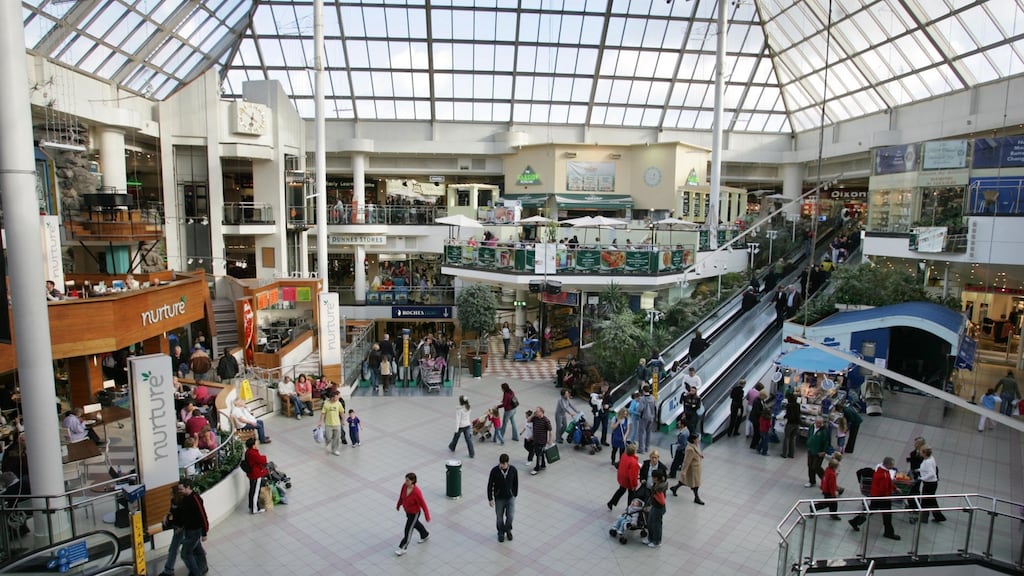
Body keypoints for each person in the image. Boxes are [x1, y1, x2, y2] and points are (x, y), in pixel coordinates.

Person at [849, 457, 901, 540]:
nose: (893, 466)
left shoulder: (882, 470)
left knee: (871, 510)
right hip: (882, 497)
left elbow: (889, 481)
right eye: (892, 464)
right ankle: (888, 533)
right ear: (888, 465)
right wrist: (890, 493)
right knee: (887, 515)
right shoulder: (883, 474)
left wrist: (895, 488)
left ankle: (855, 521)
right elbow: (883, 488)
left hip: (877, 496)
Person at [175, 478, 209, 576]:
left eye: (181, 489)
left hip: (195, 531)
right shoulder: (185, 498)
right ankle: (203, 568)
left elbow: (203, 516)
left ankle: (196, 573)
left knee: (186, 554)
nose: (179, 491)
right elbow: (185, 515)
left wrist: (204, 533)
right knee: (198, 550)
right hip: (189, 530)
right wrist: (181, 526)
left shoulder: (195, 499)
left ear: (188, 487)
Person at [395, 472, 430, 556]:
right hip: (407, 511)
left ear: (413, 481)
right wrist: (399, 504)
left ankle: (403, 548)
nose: (405, 482)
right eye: (405, 480)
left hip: (415, 513)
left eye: (407, 480)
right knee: (415, 524)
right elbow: (401, 496)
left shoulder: (417, 492)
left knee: (408, 529)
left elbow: (423, 504)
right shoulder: (404, 486)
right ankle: (425, 535)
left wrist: (427, 516)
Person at [487, 453, 519, 543]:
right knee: (499, 517)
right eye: (501, 463)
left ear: (507, 463)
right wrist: (490, 498)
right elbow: (490, 485)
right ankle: (500, 532)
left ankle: (508, 530)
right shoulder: (494, 471)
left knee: (511, 516)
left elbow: (516, 483)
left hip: (510, 497)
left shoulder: (513, 470)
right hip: (499, 498)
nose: (502, 465)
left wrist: (514, 494)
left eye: (503, 464)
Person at [671, 433, 705, 505]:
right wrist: (684, 471)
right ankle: (696, 498)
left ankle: (675, 488)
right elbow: (686, 461)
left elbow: (698, 452)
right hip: (693, 470)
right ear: (693, 440)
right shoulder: (690, 449)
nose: (698, 440)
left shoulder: (696, 445)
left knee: (685, 481)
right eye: (697, 439)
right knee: (695, 484)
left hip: (696, 469)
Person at [157, 489, 184, 576]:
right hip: (176, 527)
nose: (170, 493)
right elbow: (172, 512)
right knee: (190, 546)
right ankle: (200, 558)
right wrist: (166, 515)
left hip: (180, 529)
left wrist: (180, 528)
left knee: (173, 549)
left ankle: (169, 570)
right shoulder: (173, 501)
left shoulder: (182, 503)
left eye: (172, 492)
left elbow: (185, 516)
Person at [916, 446, 946, 523]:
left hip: (929, 484)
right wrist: (919, 470)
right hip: (932, 484)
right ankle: (938, 517)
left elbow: (932, 473)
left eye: (921, 451)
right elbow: (930, 469)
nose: (920, 452)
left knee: (926, 501)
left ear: (924, 453)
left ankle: (924, 518)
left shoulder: (927, 461)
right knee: (931, 501)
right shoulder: (930, 458)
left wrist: (922, 478)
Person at [607, 444, 640, 510]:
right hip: (628, 481)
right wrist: (634, 485)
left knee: (621, 490)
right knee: (631, 494)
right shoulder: (633, 462)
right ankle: (629, 509)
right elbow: (633, 475)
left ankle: (611, 502)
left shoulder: (624, 455)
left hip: (622, 478)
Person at [811, 455, 843, 520]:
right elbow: (832, 485)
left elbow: (823, 479)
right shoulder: (832, 474)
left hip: (825, 489)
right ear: (834, 466)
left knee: (833, 503)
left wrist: (822, 486)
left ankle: (833, 515)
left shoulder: (827, 470)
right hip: (829, 491)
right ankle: (813, 507)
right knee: (827, 503)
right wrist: (833, 493)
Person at [243, 437, 268, 514]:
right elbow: (262, 460)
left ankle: (252, 506)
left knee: (252, 490)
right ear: (253, 445)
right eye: (256, 443)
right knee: (255, 492)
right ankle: (255, 509)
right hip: (256, 474)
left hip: (252, 474)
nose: (257, 444)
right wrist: (264, 457)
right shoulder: (253, 453)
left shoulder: (248, 452)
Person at [645, 469, 668, 548]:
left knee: (656, 525)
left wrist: (654, 495)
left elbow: (662, 501)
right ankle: (650, 538)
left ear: (656, 478)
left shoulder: (658, 488)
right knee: (650, 522)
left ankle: (656, 541)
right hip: (655, 507)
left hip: (658, 508)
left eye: (653, 477)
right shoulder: (657, 484)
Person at [319, 389, 347, 455]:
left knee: (336, 438)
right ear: (332, 397)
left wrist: (343, 420)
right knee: (328, 437)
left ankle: (334, 450)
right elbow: (323, 414)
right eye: (336, 397)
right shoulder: (326, 404)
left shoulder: (339, 403)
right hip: (328, 424)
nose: (338, 398)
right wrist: (320, 422)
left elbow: (342, 413)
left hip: (337, 424)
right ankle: (327, 443)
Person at [805, 416, 830, 488]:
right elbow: (809, 434)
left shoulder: (824, 430)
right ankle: (811, 481)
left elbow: (826, 442)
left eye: (820, 423)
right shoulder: (812, 427)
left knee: (816, 467)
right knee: (810, 465)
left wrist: (824, 451)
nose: (819, 425)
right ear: (815, 422)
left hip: (819, 452)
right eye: (817, 423)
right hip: (811, 450)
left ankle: (825, 481)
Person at [529, 406, 552, 475]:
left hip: (541, 441)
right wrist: (533, 414)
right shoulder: (535, 418)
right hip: (535, 440)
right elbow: (528, 420)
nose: (536, 412)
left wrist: (550, 440)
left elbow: (550, 430)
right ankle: (543, 465)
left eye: (537, 411)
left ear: (541, 412)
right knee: (540, 453)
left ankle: (537, 468)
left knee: (538, 454)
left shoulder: (546, 420)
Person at [636, 386, 657, 453]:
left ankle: (641, 448)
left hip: (644, 417)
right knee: (648, 433)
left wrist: (638, 411)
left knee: (641, 433)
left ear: (643, 391)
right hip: (651, 417)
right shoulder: (653, 398)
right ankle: (647, 448)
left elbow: (640, 409)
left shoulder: (642, 399)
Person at [781, 392, 801, 458]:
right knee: (793, 439)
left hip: (790, 423)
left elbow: (788, 414)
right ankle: (791, 454)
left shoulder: (789, 405)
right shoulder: (798, 405)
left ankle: (784, 454)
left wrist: (784, 417)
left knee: (786, 438)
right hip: (797, 424)